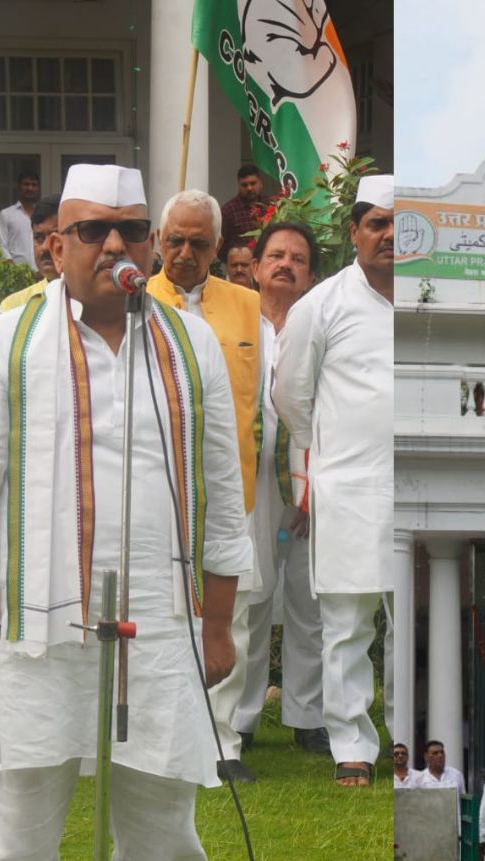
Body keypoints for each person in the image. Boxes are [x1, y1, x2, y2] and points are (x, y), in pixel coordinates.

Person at [0, 163, 248, 861]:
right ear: (56, 244)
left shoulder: (188, 344)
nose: (116, 246)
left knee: (164, 832)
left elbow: (223, 490)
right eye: (94, 231)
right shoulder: (8, 338)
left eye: (132, 229)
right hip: (38, 629)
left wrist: (222, 623)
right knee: (20, 831)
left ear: (152, 243)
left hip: (161, 626)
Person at [146, 188, 279, 784]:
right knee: (158, 609)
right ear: (156, 242)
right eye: (174, 240)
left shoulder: (248, 307)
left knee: (236, 613)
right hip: (155, 486)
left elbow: (269, 402)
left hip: (234, 486)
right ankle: (160, 733)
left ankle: (224, 743)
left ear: (218, 247)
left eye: (198, 243)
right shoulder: (134, 301)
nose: (184, 252)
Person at [272, 175, 393, 786]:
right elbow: (292, 394)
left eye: (403, 223)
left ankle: (404, 741)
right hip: (350, 486)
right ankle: (351, 745)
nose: (391, 234)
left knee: (413, 617)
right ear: (354, 233)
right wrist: (331, 457)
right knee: (347, 622)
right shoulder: (321, 305)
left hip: (418, 490)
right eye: (377, 223)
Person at [245, 220, 326, 755]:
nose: (286, 264)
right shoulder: (233, 322)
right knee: (249, 597)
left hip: (310, 482)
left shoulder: (321, 322)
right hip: (250, 485)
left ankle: (308, 715)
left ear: (311, 274)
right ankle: (243, 716)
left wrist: (314, 482)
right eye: (275, 254)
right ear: (254, 266)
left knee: (309, 597)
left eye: (298, 258)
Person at [0, 196, 62, 310]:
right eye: (39, 238)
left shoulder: (94, 304)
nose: (46, 247)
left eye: (55, 237)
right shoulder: (13, 306)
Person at [219, 164, 270, 257]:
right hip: (241, 267)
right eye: (244, 185)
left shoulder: (270, 206)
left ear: (261, 184)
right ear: (239, 185)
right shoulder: (228, 211)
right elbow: (220, 245)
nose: (249, 188)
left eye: (253, 183)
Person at [0, 170, 39, 267]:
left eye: (34, 185)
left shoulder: (41, 215)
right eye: (26, 184)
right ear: (19, 187)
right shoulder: (6, 214)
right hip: (16, 277)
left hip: (41, 275)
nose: (30, 188)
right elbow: (1, 246)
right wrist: (15, 272)